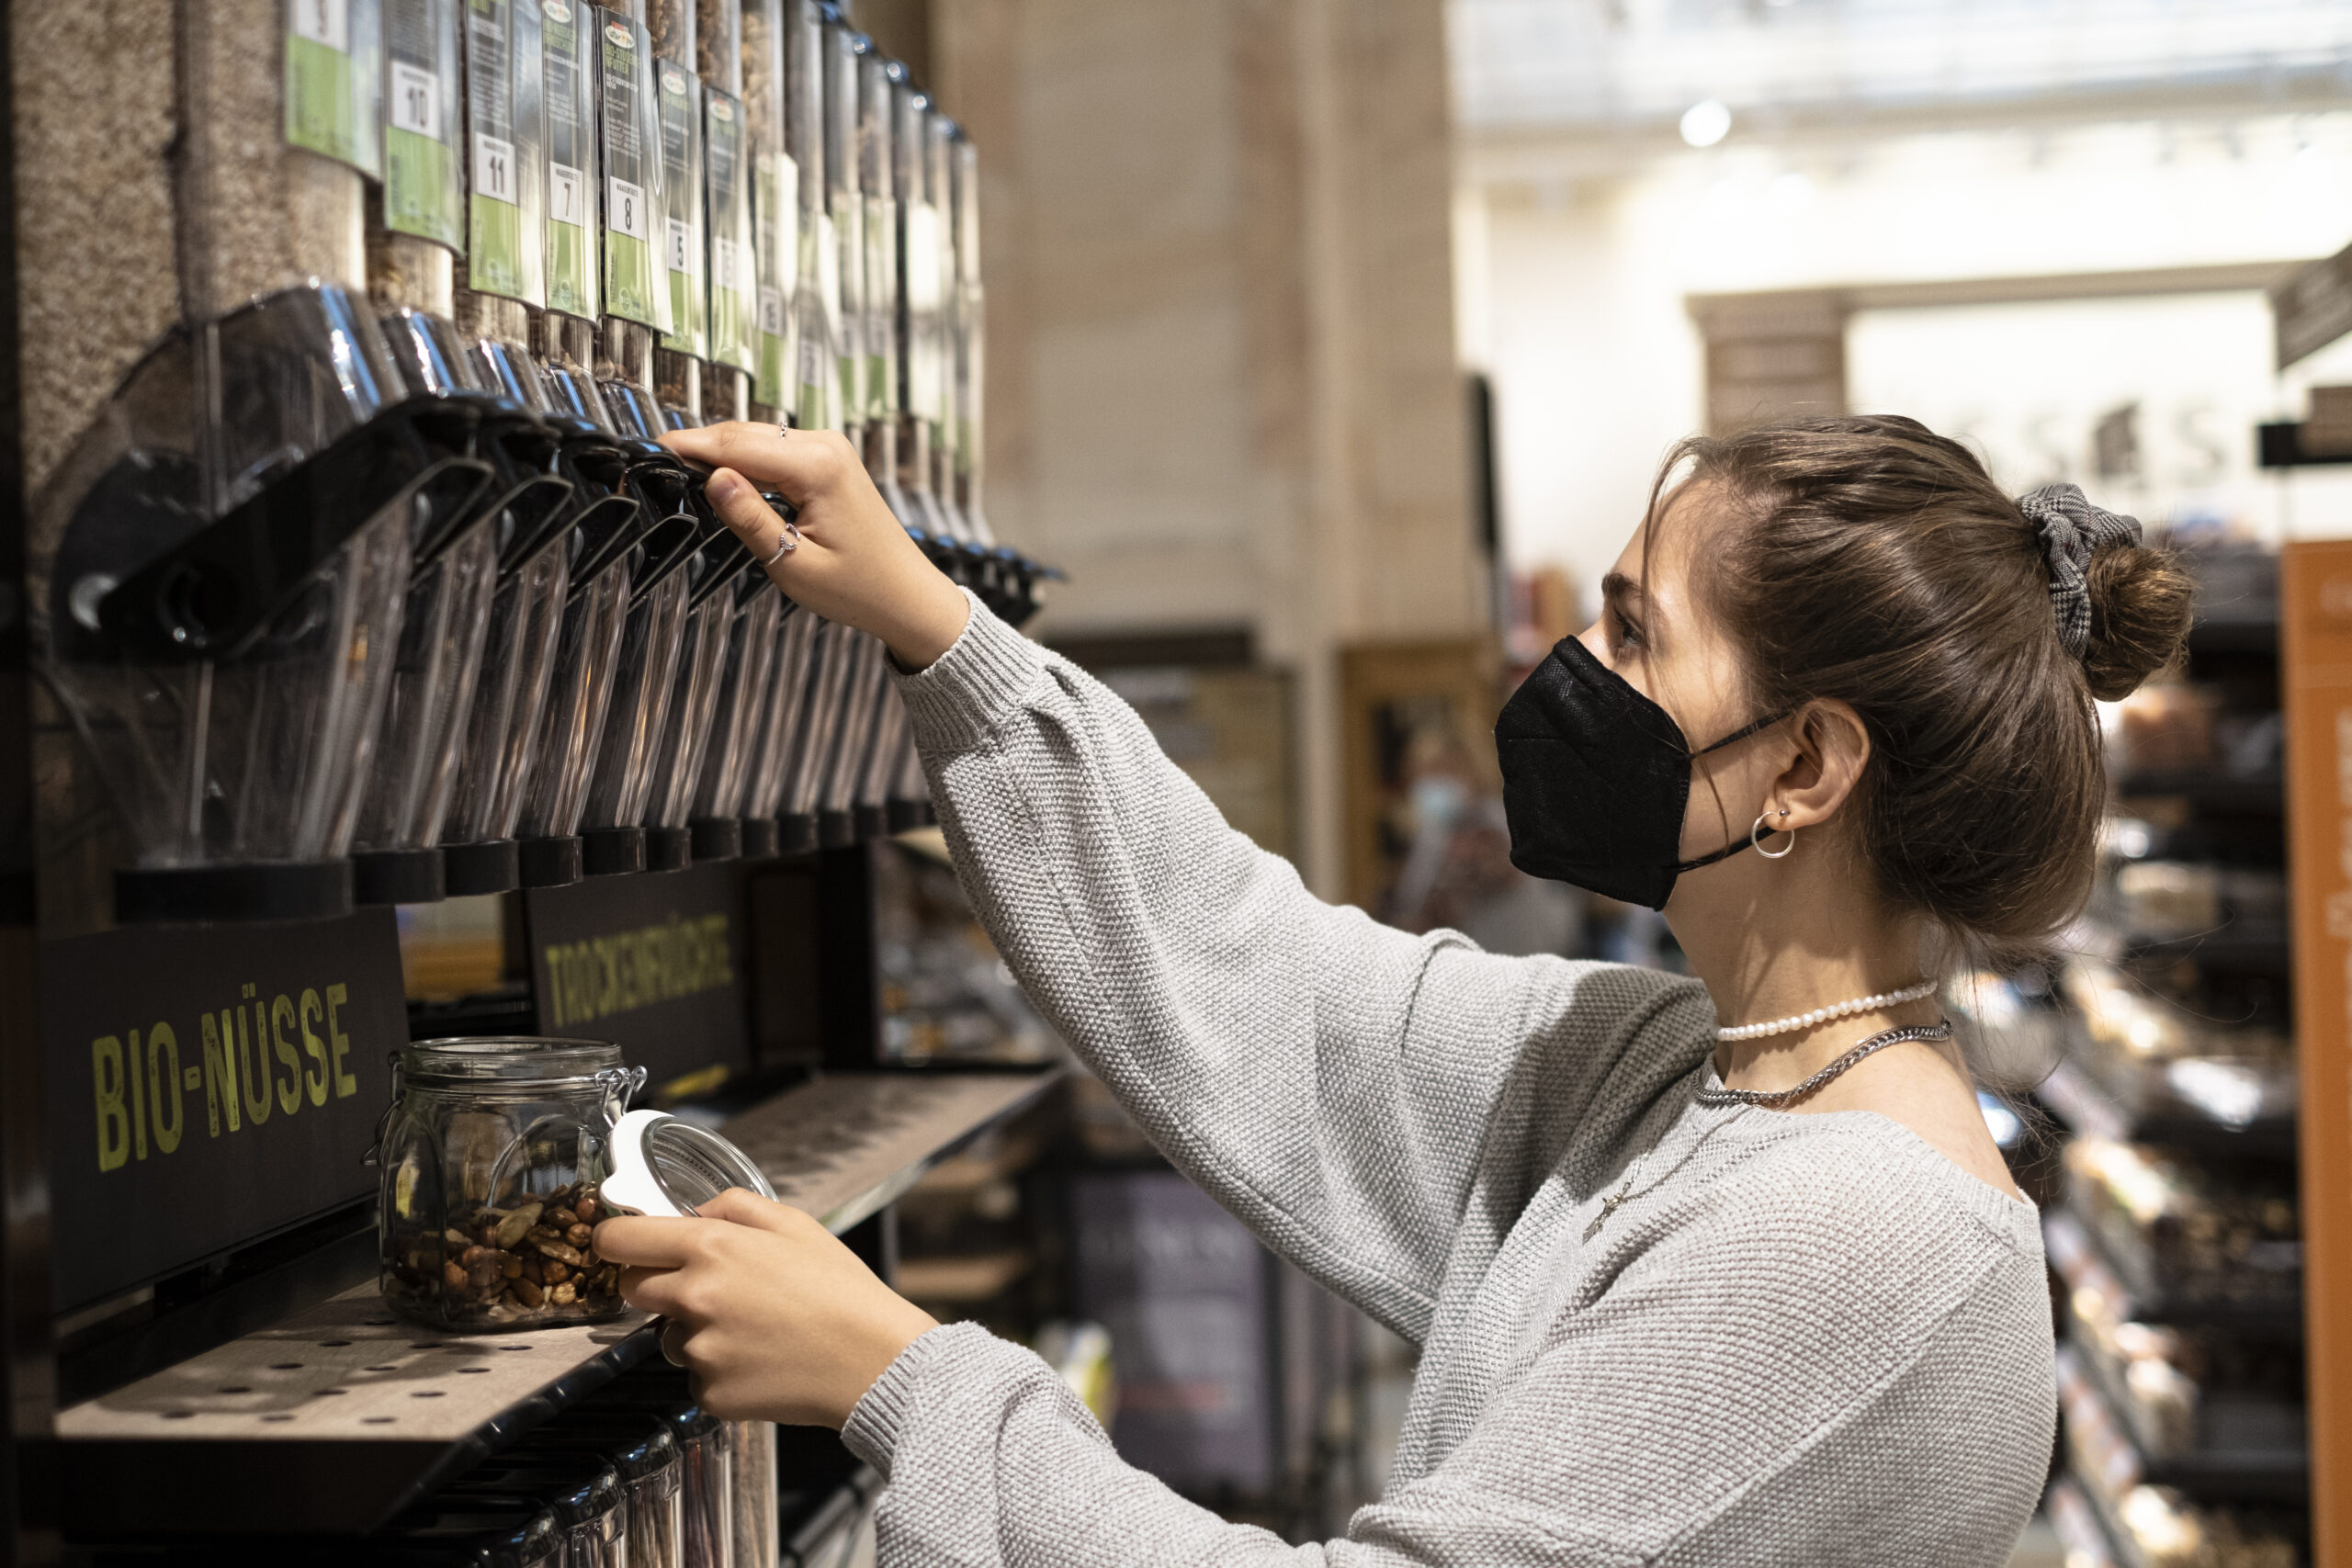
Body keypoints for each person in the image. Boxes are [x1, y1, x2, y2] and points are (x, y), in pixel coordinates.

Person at [596, 414, 2194, 1566]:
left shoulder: (1863, 1248)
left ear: (1803, 765)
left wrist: (905, 1380)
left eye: (1634, 637)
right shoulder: (1663, 1063)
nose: (1566, 671)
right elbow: (1269, 984)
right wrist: (942, 632)